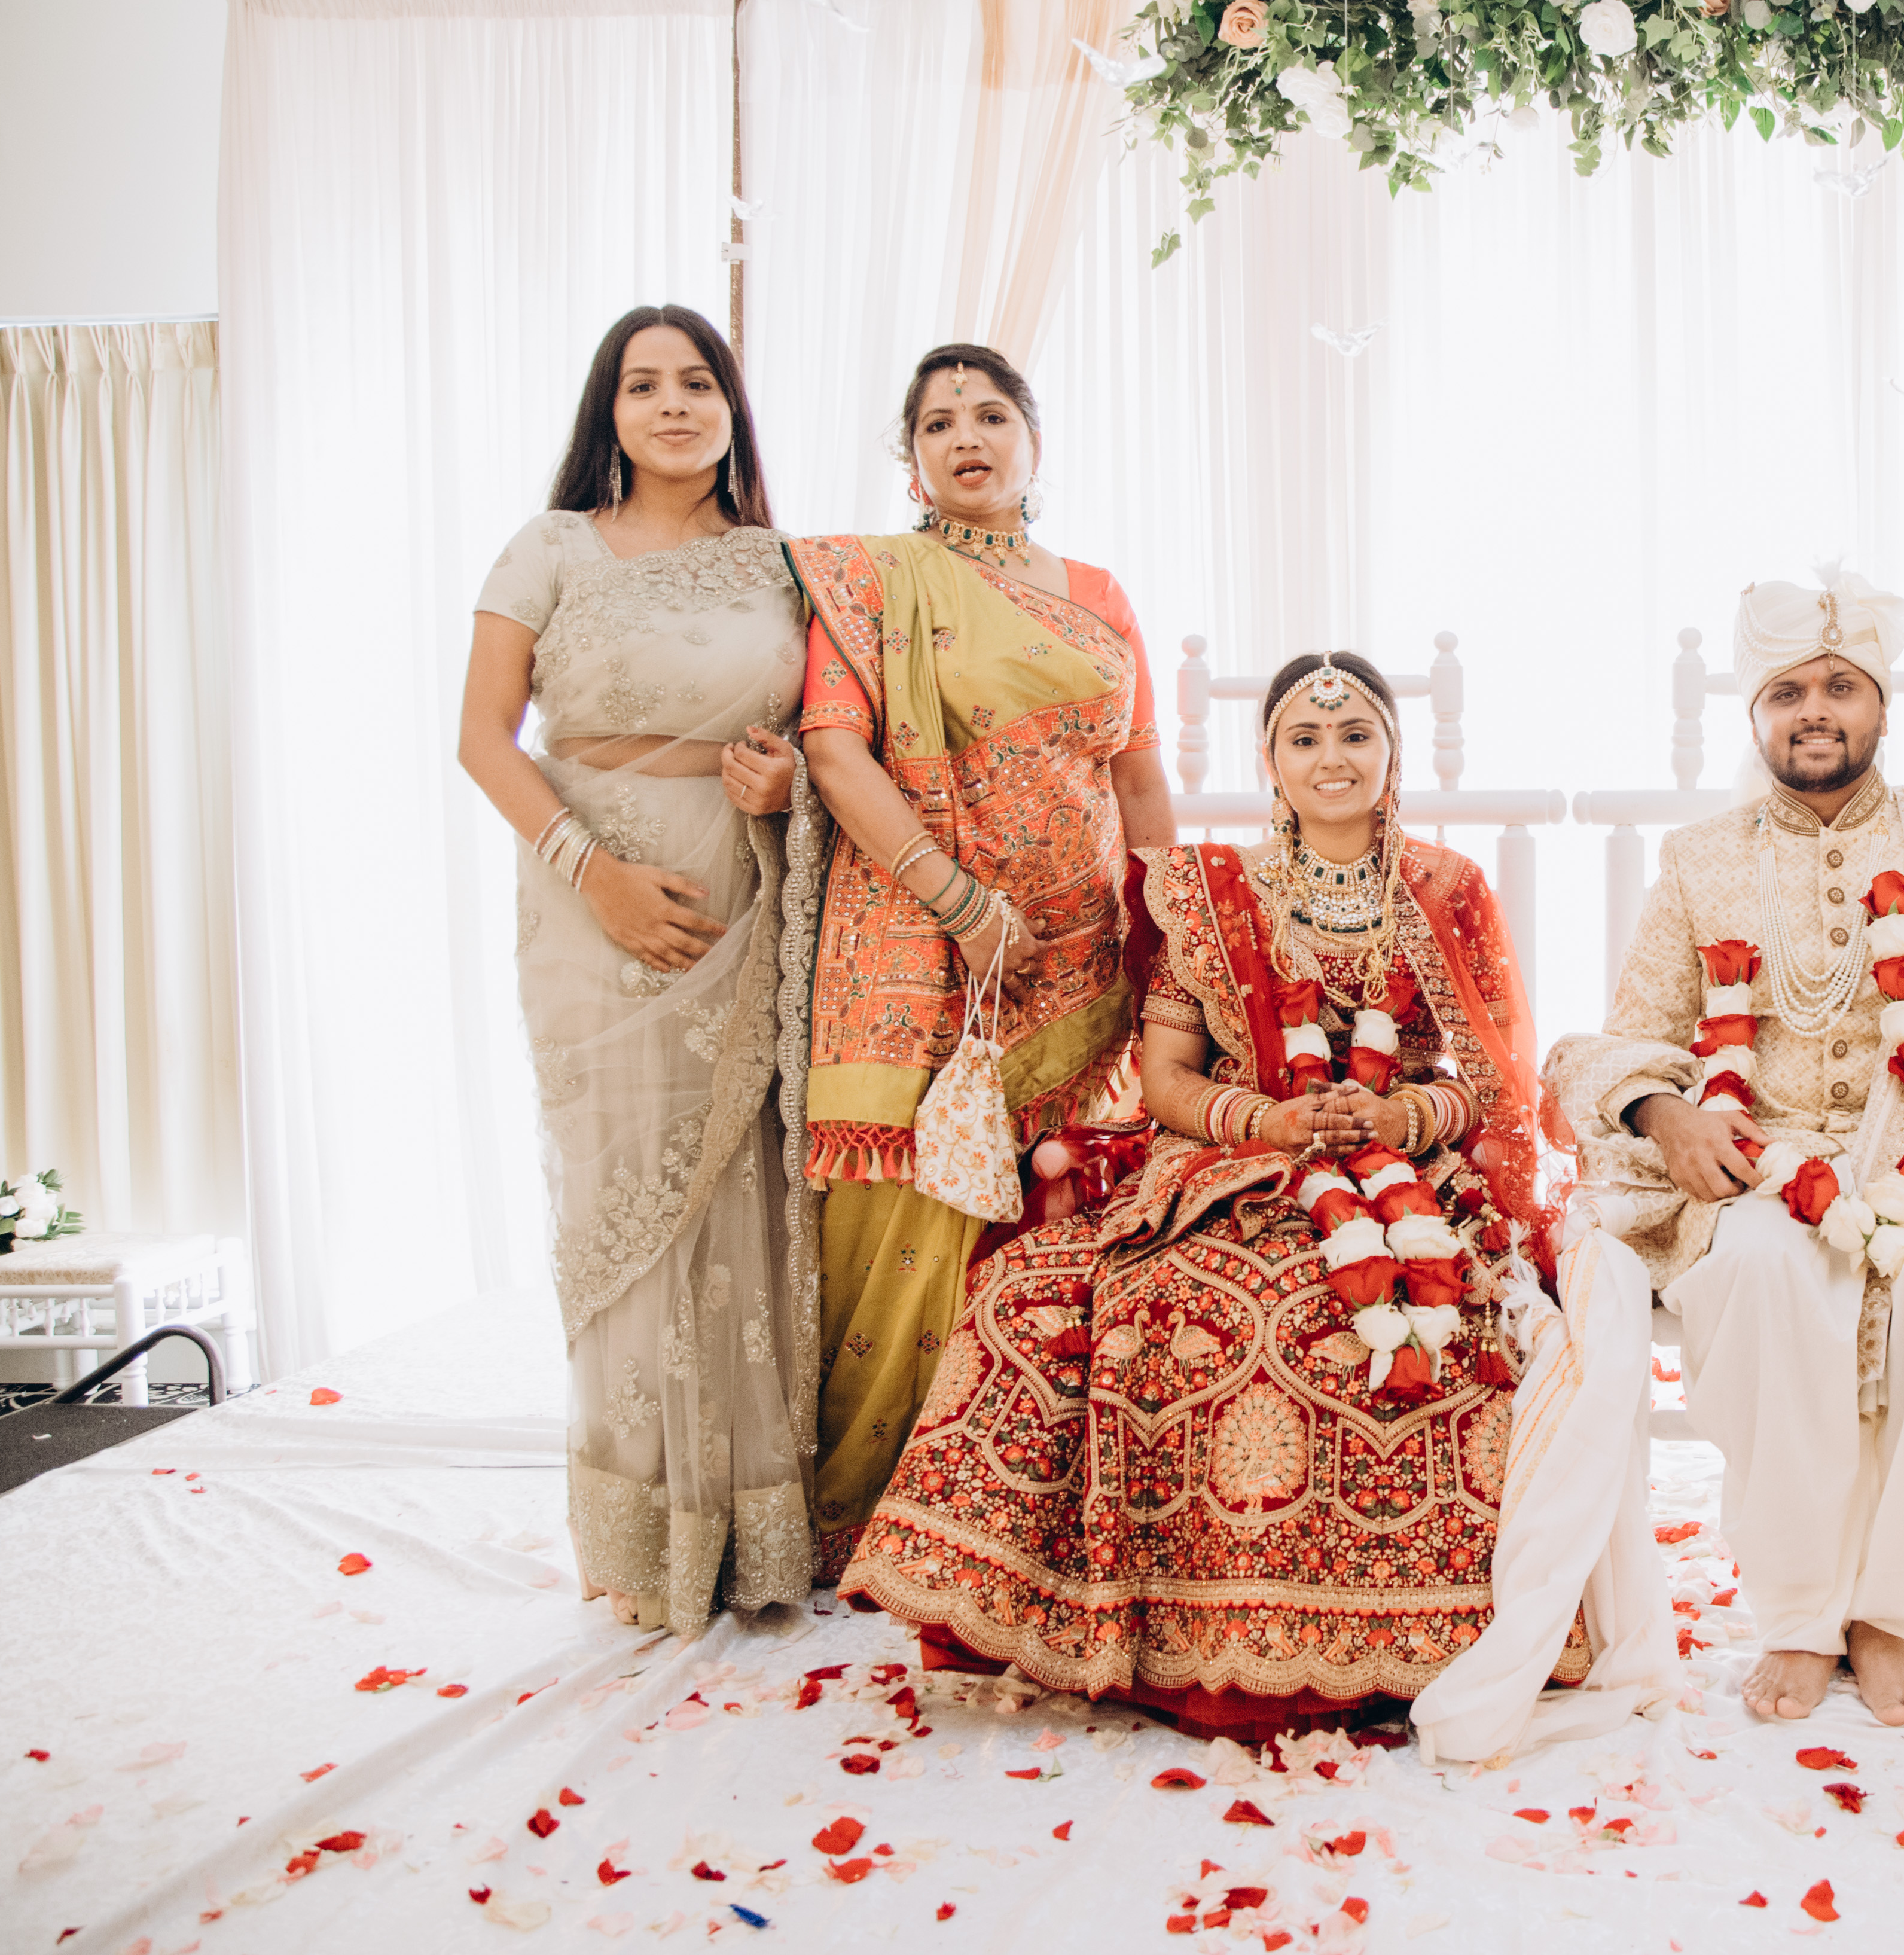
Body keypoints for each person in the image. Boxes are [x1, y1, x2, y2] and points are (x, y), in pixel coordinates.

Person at [843, 651, 1668, 1751]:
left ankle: (1403, 1639)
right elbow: (1168, 1077)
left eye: (1355, 735)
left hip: (1415, 1175)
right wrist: (1272, 1125)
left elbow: (1486, 1079)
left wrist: (1401, 1118)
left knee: (1386, 1324)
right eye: (1305, 738)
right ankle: (1180, 1632)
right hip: (1232, 1162)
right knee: (1114, 1306)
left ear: (1391, 755)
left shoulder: (1446, 887)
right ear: (1269, 761)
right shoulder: (1205, 891)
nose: (1332, 758)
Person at [1550, 569, 1904, 1728]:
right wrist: (1667, 1115)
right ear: (1754, 716)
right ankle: (1798, 1614)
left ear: (1881, 706)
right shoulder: (1701, 857)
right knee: (1756, 1268)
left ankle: (1887, 1612)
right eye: (1786, 691)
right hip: (1761, 1158)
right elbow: (1628, 1035)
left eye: (1839, 686)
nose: (1813, 710)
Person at [789, 343, 1176, 1576]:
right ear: (911, 459)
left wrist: (1170, 930)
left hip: (1081, 956)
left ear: (1032, 442)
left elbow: (1138, 773)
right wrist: (956, 901)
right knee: (906, 1221)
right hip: (922, 943)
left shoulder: (1099, 592)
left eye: (991, 414)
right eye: (939, 421)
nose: (967, 436)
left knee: (1058, 1218)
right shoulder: (869, 583)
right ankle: (877, 1513)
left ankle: (1022, 1506)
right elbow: (834, 751)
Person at [456, 304, 812, 1636]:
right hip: (588, 901)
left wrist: (785, 788)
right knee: (620, 1189)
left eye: (697, 382)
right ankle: (641, 1529)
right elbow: (483, 737)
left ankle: (751, 1520)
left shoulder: (783, 564)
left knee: (744, 1189)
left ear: (730, 406)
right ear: (607, 410)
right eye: (644, 384)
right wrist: (591, 872)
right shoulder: (548, 546)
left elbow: (837, 737)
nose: (673, 404)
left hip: (739, 895)